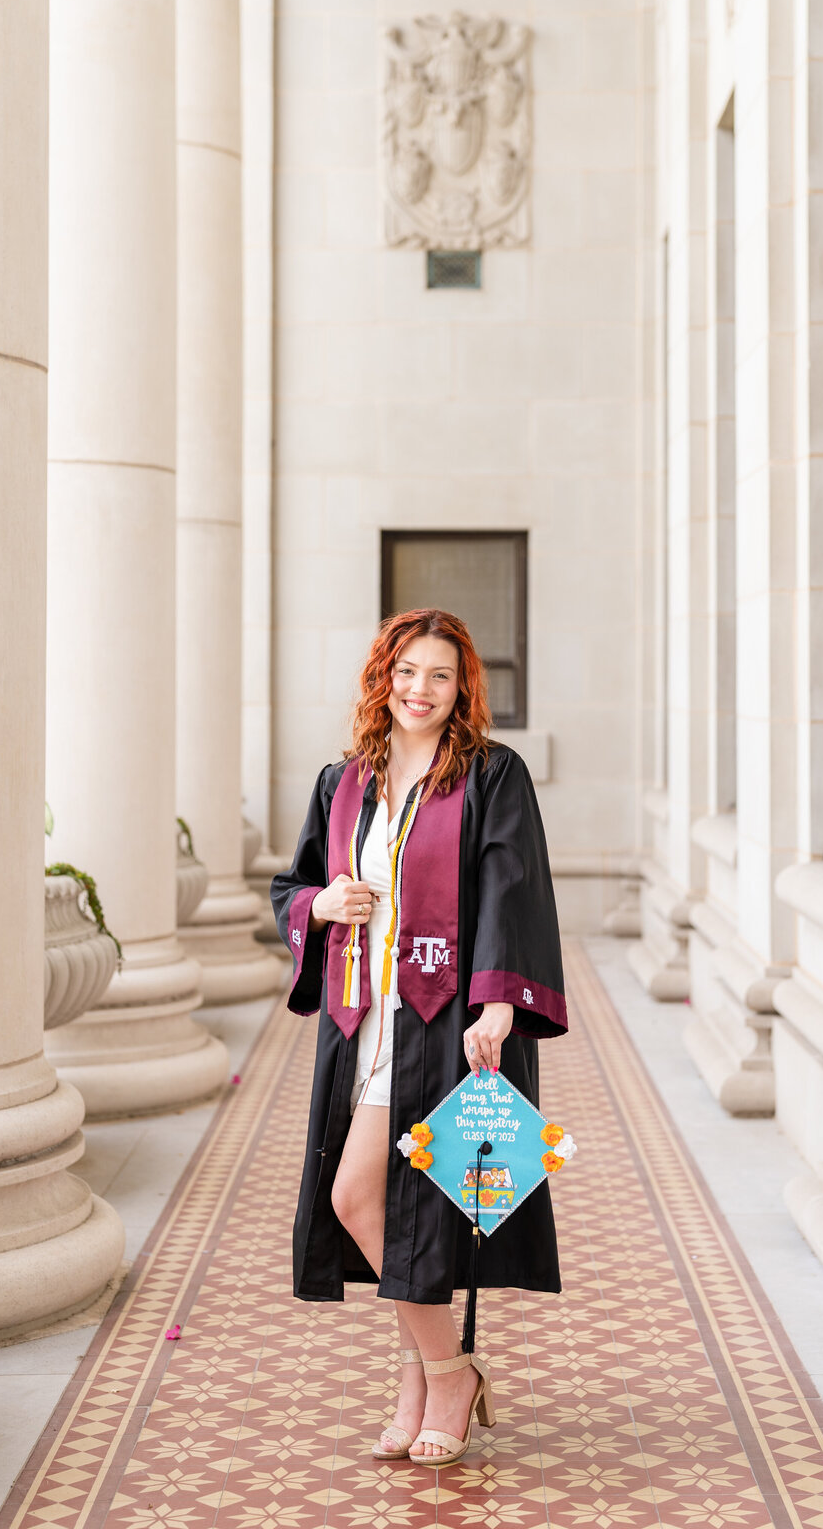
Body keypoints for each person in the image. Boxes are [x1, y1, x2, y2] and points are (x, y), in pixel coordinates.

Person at [272, 607, 568, 1469]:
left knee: (409, 1207)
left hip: (449, 1021)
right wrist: (321, 905)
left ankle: (433, 1375)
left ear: (463, 686)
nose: (421, 690)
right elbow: (296, 886)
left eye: (440, 675)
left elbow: (514, 893)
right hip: (361, 1018)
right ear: (383, 677)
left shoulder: (489, 775)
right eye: (407, 671)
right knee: (361, 1198)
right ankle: (442, 1369)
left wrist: (500, 1004)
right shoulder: (344, 783)